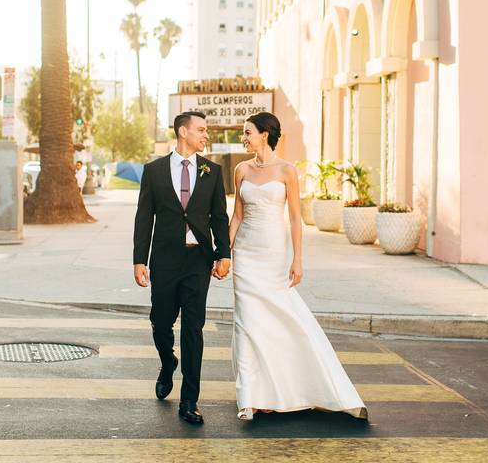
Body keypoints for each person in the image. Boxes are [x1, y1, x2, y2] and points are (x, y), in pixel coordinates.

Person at [230, 111, 367, 421]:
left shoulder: (287, 171)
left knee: (280, 319)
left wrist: (298, 259)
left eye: (248, 132)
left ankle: (293, 384)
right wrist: (224, 254)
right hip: (246, 255)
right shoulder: (241, 170)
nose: (244, 137)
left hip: (274, 254)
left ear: (264, 134)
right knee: (247, 322)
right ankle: (249, 397)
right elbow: (236, 216)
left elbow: (294, 218)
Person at [132, 111, 231, 425]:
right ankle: (167, 361)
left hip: (196, 262)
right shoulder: (154, 171)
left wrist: (223, 253)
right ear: (183, 132)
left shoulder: (212, 171)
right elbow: (144, 217)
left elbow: (219, 217)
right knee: (160, 323)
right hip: (164, 260)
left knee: (193, 330)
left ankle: (190, 401)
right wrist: (139, 260)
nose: (206, 135)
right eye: (201, 129)